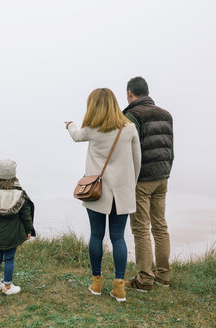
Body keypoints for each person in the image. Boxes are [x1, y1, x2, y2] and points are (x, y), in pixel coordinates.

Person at [65, 88, 141, 302]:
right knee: (118, 237)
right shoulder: (129, 128)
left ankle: (97, 283)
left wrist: (70, 125)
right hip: (122, 192)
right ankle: (119, 287)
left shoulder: (91, 129)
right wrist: (130, 186)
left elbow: (76, 135)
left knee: (96, 235)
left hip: (96, 193)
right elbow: (137, 161)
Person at [123, 76, 174, 291]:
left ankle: (144, 279)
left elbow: (128, 150)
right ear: (148, 91)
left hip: (141, 179)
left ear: (129, 94)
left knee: (141, 229)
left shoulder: (130, 115)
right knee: (160, 225)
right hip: (162, 177)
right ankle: (163, 274)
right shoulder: (166, 114)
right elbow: (170, 148)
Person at [0, 159, 35, 295]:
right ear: (14, 176)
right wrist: (29, 230)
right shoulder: (19, 194)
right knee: (9, 258)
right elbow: (26, 215)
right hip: (12, 234)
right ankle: (8, 286)